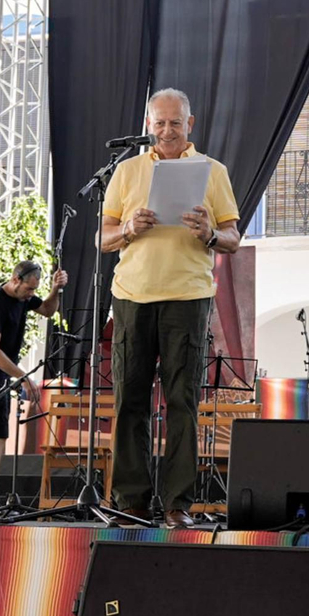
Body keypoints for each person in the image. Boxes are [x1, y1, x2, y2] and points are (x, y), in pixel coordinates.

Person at [100, 88, 241, 527]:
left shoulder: (212, 172)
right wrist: (127, 228)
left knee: (182, 401)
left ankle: (178, 505)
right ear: (148, 124)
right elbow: (101, 240)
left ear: (190, 124)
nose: (166, 131)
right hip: (131, 297)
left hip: (186, 297)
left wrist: (209, 234)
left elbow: (233, 238)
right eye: (159, 123)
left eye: (174, 123)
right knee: (130, 402)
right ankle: (133, 502)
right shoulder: (125, 171)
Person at [0, 259, 69, 512]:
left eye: (35, 290)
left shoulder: (23, 298)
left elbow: (47, 310)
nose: (31, 295)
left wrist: (55, 289)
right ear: (15, 280)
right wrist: (23, 376)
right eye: (29, 290)